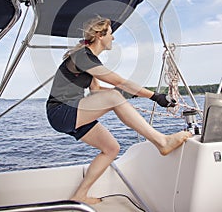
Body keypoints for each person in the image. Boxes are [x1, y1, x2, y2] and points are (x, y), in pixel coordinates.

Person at [46, 16, 191, 205]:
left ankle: (79, 195)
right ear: (99, 35)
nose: (113, 38)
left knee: (111, 148)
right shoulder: (83, 56)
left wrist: (131, 95)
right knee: (115, 96)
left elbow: (97, 91)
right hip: (61, 112)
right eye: (111, 34)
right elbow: (119, 83)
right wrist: (155, 96)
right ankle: (162, 141)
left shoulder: (89, 60)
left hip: (71, 111)